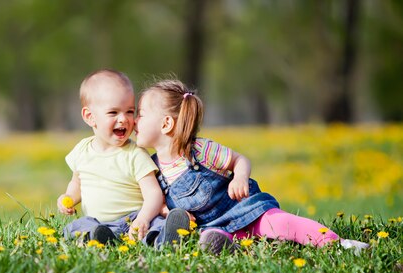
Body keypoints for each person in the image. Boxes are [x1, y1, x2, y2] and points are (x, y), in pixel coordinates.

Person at [134, 78, 370, 254]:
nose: (135, 121)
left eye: (141, 115)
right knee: (208, 238)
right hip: (212, 225)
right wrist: (169, 212)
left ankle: (337, 243)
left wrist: (239, 178)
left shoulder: (200, 150)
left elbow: (240, 160)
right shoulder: (152, 167)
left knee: (282, 222)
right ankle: (229, 246)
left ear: (166, 124)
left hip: (246, 212)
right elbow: (160, 201)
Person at [57, 69, 192, 247]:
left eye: (129, 111)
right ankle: (103, 239)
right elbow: (77, 183)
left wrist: (143, 219)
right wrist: (68, 197)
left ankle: (164, 239)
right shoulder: (82, 150)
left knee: (155, 224)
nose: (124, 119)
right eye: (113, 113)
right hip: (99, 223)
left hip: (133, 219)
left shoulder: (135, 154)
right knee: (76, 226)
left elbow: (153, 194)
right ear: (90, 117)